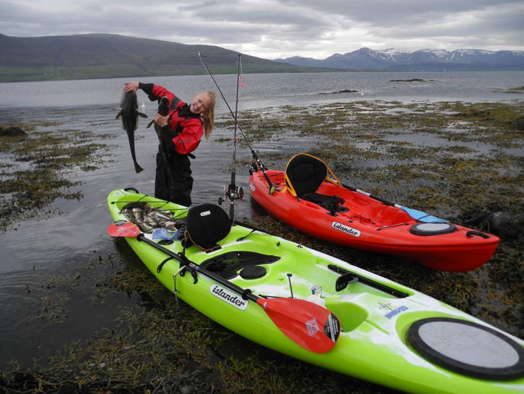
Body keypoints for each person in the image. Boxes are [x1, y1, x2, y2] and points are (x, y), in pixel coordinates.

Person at [124, 81, 216, 207]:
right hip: (162, 158)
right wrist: (138, 85)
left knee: (179, 199)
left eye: (203, 106)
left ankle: (182, 223)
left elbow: (182, 147)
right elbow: (160, 91)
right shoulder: (176, 104)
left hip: (178, 165)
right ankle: (163, 222)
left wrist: (165, 126)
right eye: (199, 100)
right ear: (194, 96)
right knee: (161, 195)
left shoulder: (195, 125)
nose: (198, 105)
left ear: (206, 111)